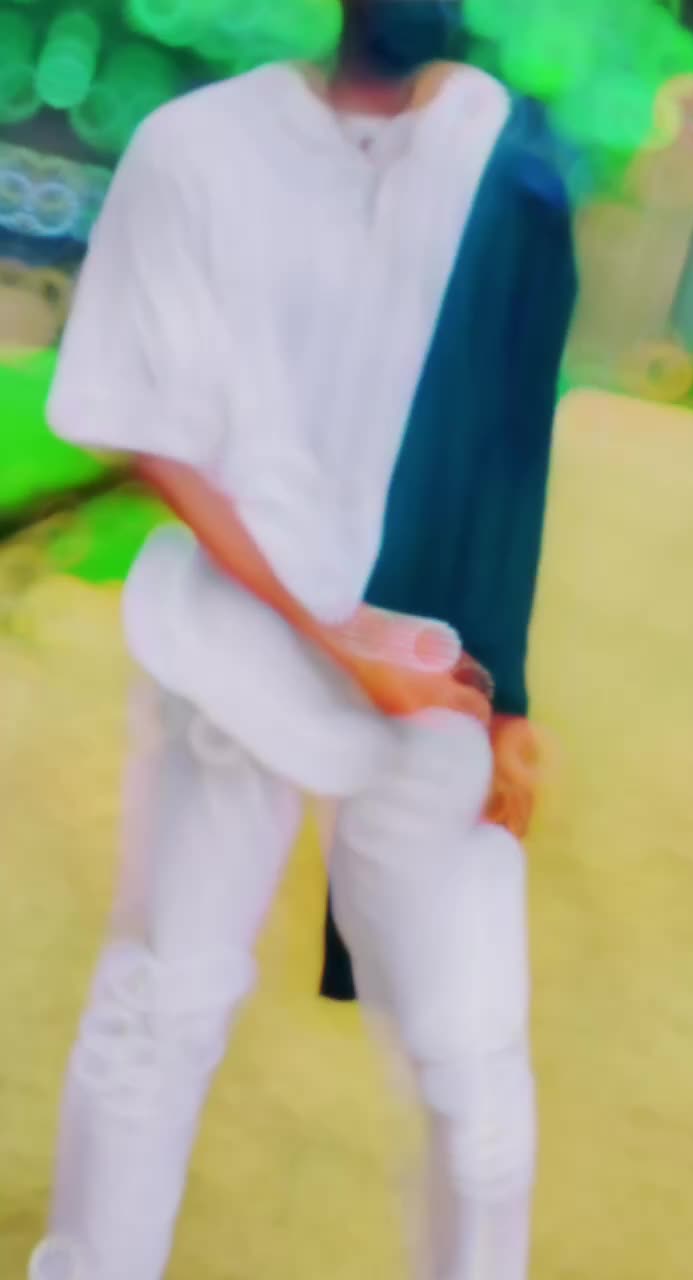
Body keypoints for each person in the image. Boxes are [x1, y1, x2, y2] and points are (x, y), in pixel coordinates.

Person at [29, 3, 577, 1278]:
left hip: (434, 681)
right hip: (234, 654)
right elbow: (153, 430)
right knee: (163, 1005)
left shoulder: (508, 165)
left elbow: (510, 449)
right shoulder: (200, 146)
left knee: (473, 1062)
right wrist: (332, 635)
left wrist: (508, 700)